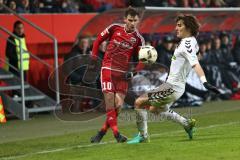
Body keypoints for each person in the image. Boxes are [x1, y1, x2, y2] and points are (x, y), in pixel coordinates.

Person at [127, 14, 220, 144]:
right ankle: (186, 123)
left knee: (139, 102)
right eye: (176, 25)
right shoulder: (191, 42)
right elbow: (193, 59)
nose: (176, 28)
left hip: (172, 87)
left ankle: (143, 136)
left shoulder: (187, 43)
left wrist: (204, 82)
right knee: (155, 109)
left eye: (179, 25)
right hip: (174, 86)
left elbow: (195, 63)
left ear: (188, 27)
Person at [90, 7, 145, 143]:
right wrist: (93, 58)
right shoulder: (114, 28)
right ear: (125, 19)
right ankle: (116, 134)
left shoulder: (138, 39)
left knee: (118, 106)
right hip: (107, 69)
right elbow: (97, 41)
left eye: (135, 21)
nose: (132, 23)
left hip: (123, 75)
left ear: (138, 21)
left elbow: (142, 60)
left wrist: (134, 72)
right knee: (110, 104)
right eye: (130, 20)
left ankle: (102, 132)